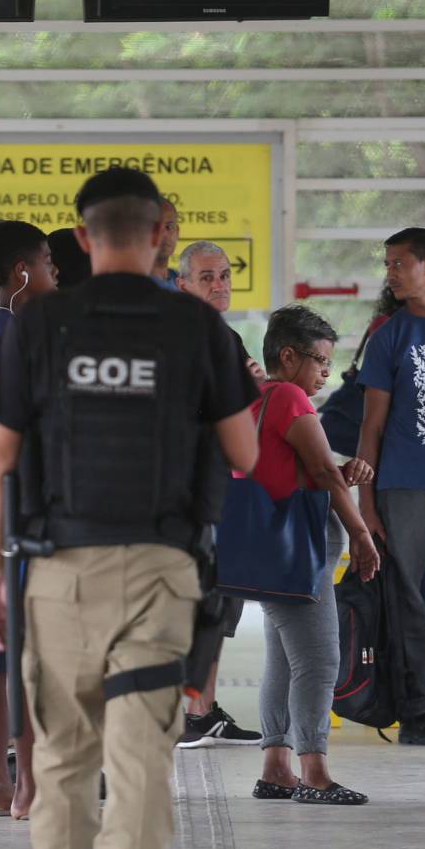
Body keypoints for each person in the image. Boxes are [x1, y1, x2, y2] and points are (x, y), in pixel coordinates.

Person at [0, 166, 259, 849]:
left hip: (60, 570)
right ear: (162, 232)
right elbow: (244, 454)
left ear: (82, 235)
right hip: (162, 575)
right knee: (141, 758)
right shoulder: (198, 327)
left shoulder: (38, 325)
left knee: (64, 752)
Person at [246, 306, 381, 806]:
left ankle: (276, 767)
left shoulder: (259, 399)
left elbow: (294, 472)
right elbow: (322, 472)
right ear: (288, 356)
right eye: (320, 360)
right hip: (297, 555)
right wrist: (361, 534)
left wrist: (338, 475)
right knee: (320, 661)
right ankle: (315, 773)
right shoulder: (289, 397)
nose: (327, 371)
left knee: (285, 661)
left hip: (271, 548)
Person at [354, 227, 425, 747]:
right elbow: (370, 427)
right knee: (409, 603)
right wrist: (365, 504)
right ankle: (415, 711)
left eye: (399, 263)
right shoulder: (389, 336)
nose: (390, 273)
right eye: (388, 264)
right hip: (402, 489)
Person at [0, 220, 56, 819]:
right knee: (21, 648)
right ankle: (25, 783)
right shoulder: (10, 330)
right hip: (18, 498)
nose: (56, 272)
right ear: (22, 272)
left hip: (5, 494)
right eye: (48, 261)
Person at [172, 240, 264, 750]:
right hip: (187, 490)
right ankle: (186, 710)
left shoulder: (224, 336)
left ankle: (202, 709)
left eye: (225, 275)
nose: (219, 285)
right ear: (182, 283)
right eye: (207, 277)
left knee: (221, 599)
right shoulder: (177, 335)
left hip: (221, 484)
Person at [153, 196, 181, 287]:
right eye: (155, 227)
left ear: (177, 232)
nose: (164, 234)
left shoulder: (184, 284)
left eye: (169, 226)